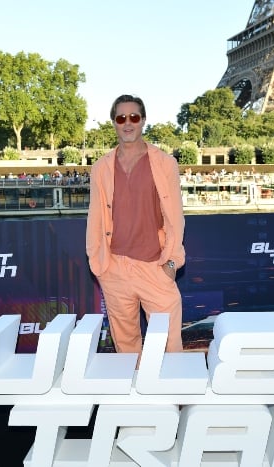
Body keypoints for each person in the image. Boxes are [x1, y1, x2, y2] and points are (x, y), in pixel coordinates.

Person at [86, 94, 185, 357]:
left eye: (134, 117)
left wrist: (172, 263)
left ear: (143, 121)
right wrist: (99, 264)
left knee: (168, 344)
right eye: (121, 118)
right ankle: (134, 396)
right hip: (115, 267)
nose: (127, 123)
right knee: (127, 348)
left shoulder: (165, 163)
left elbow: (175, 217)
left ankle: (173, 395)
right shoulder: (101, 168)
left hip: (155, 265)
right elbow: (95, 218)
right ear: (114, 123)